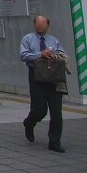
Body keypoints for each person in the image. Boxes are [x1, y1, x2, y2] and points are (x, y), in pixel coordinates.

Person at [20, 15, 68, 153]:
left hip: (53, 77)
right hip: (36, 76)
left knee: (56, 111)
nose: (40, 26)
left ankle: (54, 141)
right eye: (38, 24)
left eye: (43, 24)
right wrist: (40, 54)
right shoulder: (28, 39)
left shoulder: (53, 40)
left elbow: (62, 54)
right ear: (34, 25)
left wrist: (53, 55)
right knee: (39, 109)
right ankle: (29, 123)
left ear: (48, 25)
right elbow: (23, 56)